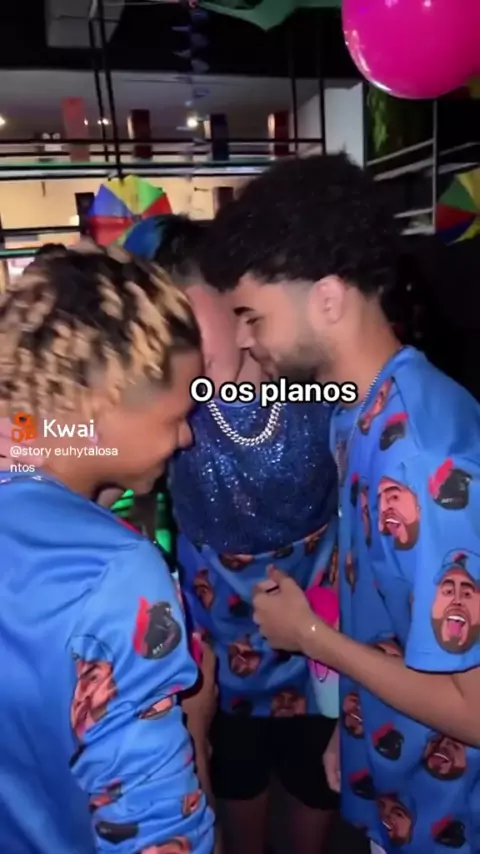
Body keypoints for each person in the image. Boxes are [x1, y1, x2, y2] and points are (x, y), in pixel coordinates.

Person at [199, 153, 480, 854]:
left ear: (326, 300)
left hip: (448, 819)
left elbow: (475, 712)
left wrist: (309, 636)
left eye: (252, 316)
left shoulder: (422, 458)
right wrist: (354, 723)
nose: (243, 339)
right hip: (400, 782)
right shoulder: (355, 409)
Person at [125, 214, 340, 854]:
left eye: (187, 319)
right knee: (238, 787)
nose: (177, 345)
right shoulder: (171, 404)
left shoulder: (316, 382)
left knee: (312, 787)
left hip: (319, 635)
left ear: (234, 294)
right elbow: (61, 437)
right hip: (217, 643)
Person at [0, 246, 214, 854]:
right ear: (104, 404)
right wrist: (196, 723)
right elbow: (158, 834)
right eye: (176, 416)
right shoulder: (116, 572)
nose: (186, 436)